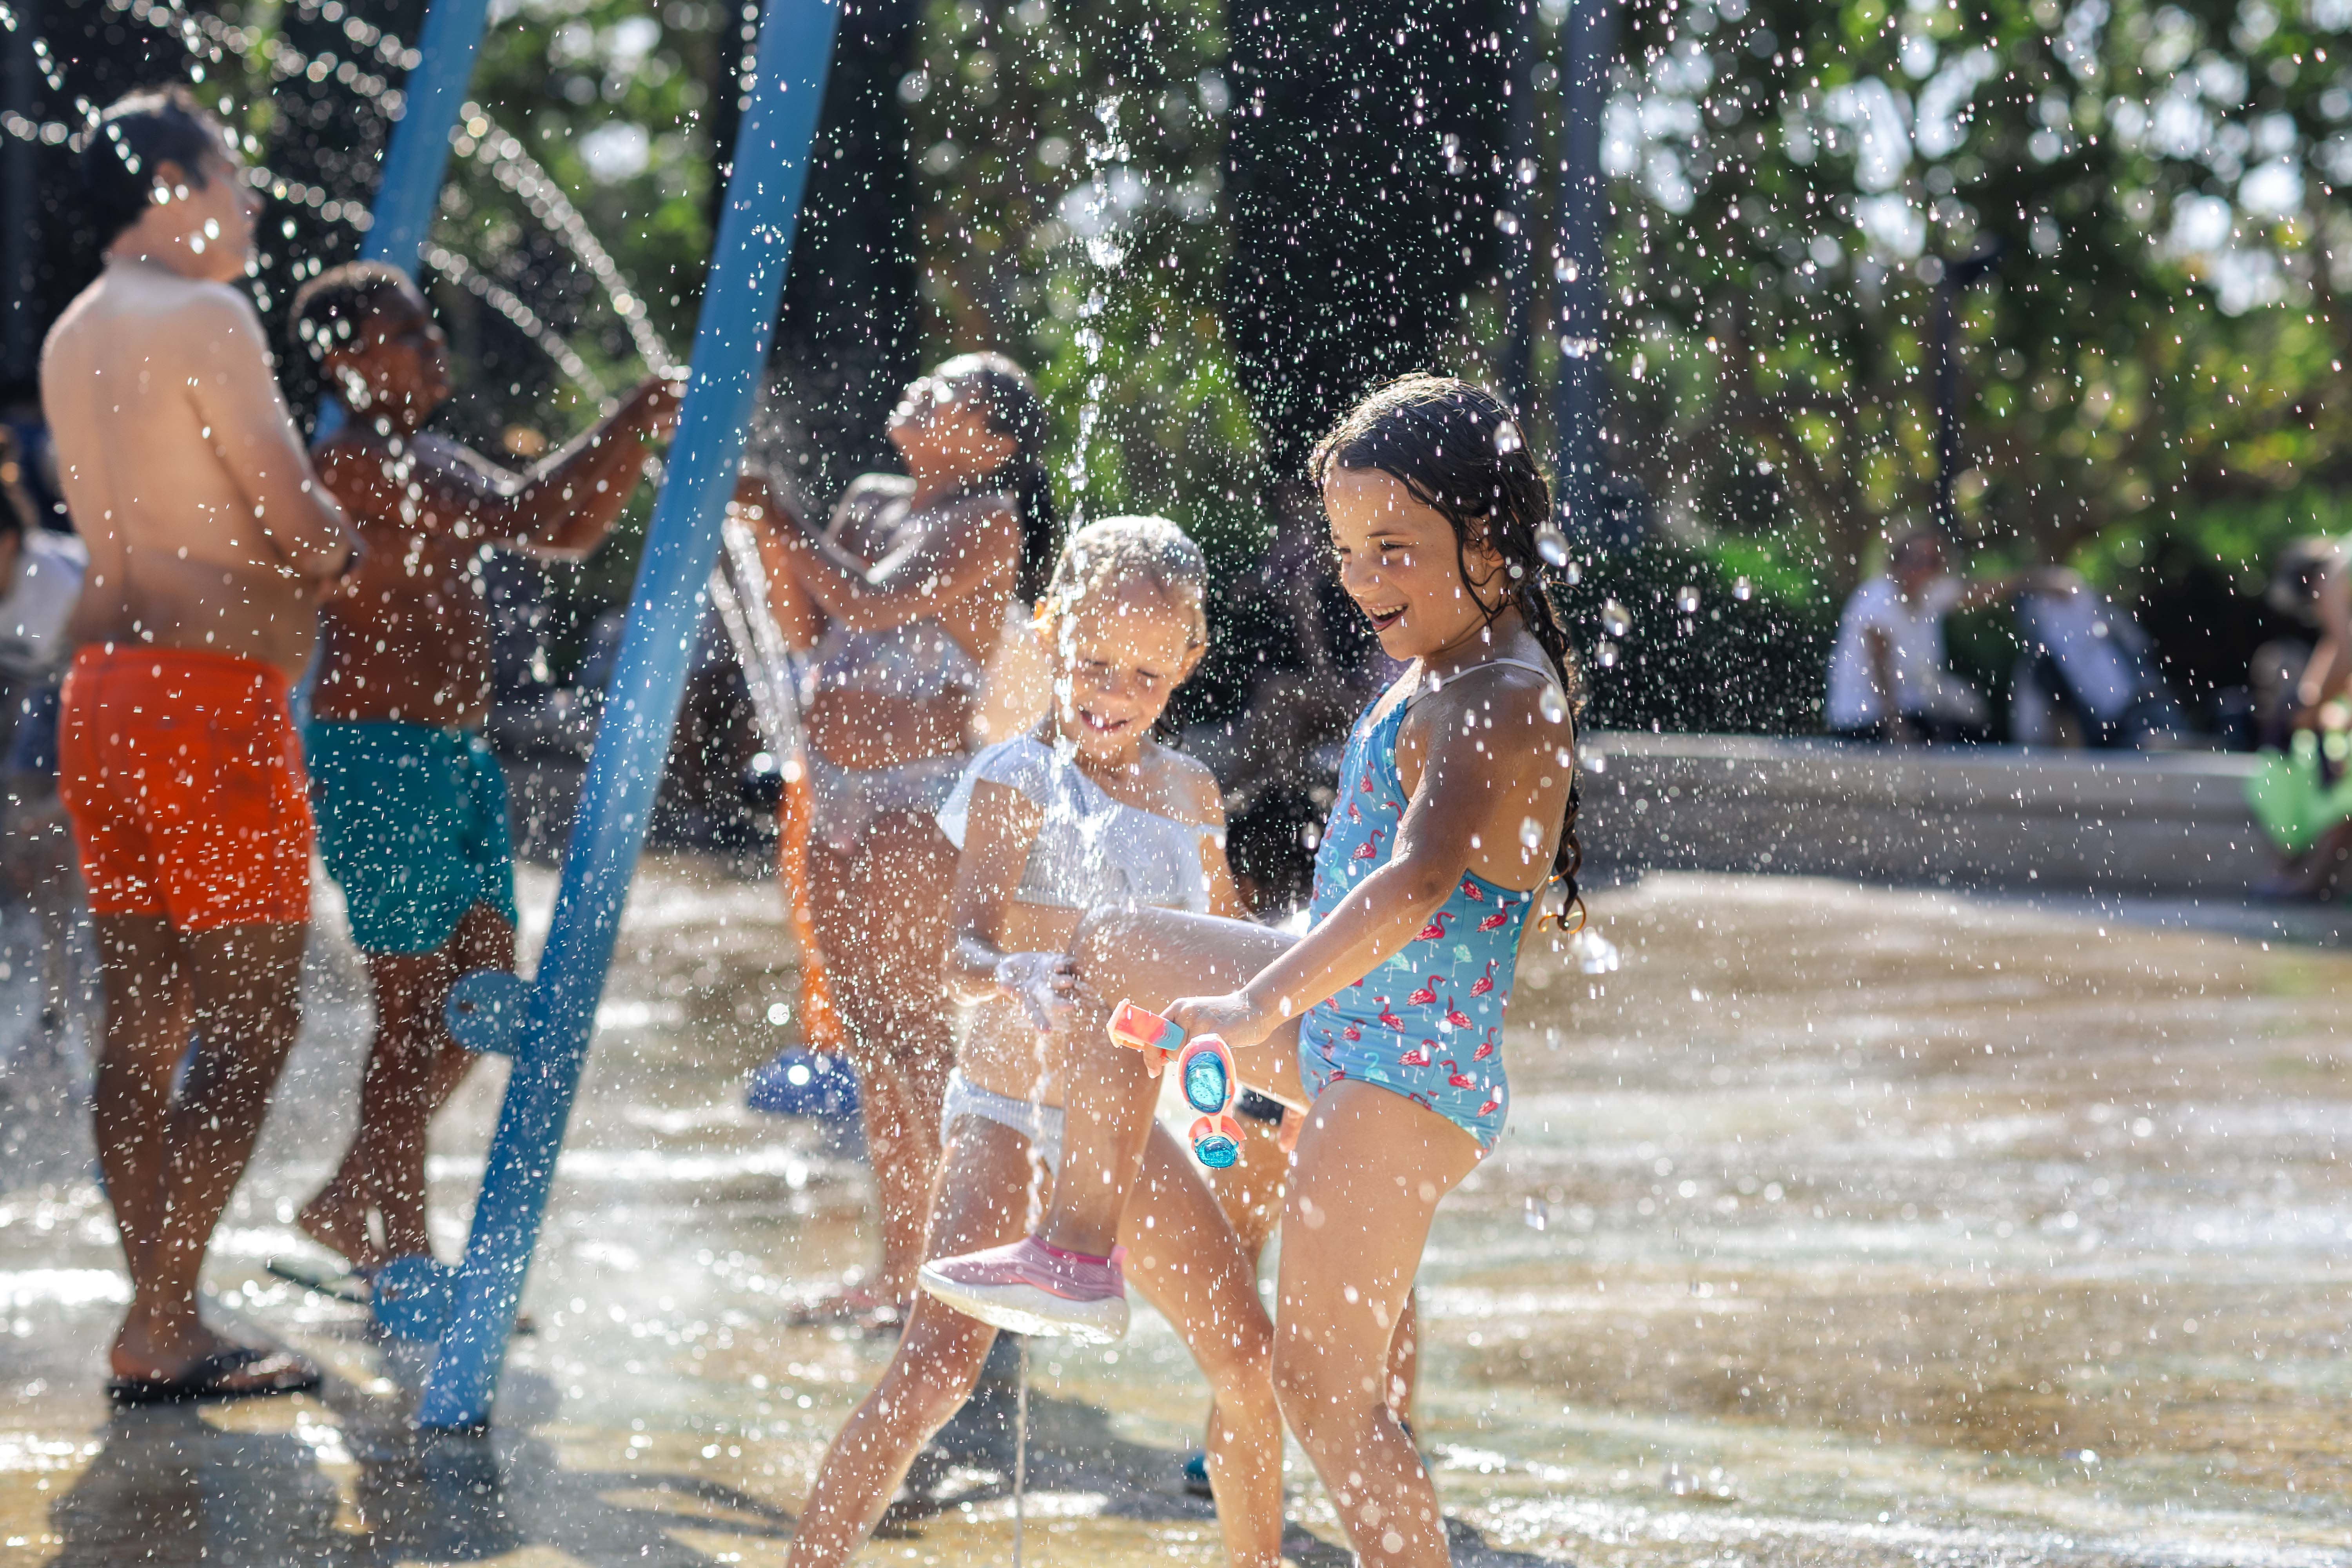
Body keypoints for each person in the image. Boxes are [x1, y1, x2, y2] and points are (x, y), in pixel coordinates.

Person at [921, 374, 1581, 1567]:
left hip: (1399, 1069)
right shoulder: (1444, 671)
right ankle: (1075, 1247)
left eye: (1393, 547)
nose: (1359, 577)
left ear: (1484, 537)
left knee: (1326, 1397)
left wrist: (1256, 997)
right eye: (1343, 548)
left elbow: (1421, 880)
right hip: (1353, 1023)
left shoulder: (1500, 698)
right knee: (1112, 944)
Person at [782, 515, 1284, 1566]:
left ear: (1189, 661)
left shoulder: (1191, 794)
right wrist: (1003, 970)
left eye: (1147, 673)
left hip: (1125, 1127)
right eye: (1094, 661)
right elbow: (961, 950)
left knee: (1249, 1357)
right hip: (1011, 1110)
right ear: (1052, 633)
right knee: (935, 1370)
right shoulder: (1019, 774)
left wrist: (1279, 1011)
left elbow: (1230, 939)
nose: (1114, 691)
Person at [40, 87, 362, 1403]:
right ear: (176, 178)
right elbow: (294, 518)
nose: (248, 214)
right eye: (234, 183)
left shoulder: (72, 333)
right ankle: (165, 1320)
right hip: (208, 705)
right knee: (250, 1025)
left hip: (101, 696)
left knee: (143, 1022)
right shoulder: (205, 314)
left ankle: (158, 1303)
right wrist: (343, 547)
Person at [284, 261, 679, 1275]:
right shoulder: (351, 467)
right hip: (377, 757)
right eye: (407, 334)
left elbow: (565, 530)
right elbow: (529, 519)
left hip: (452, 758)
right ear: (345, 359)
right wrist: (629, 413)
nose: (432, 351)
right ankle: (400, 1255)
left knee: (487, 993)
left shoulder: (431, 458)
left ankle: (346, 1203)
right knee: (411, 1014)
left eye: (430, 331)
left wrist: (633, 438)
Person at [731, 353, 1057, 1321]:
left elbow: (871, 602)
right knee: (871, 1042)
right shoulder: (871, 500)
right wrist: (763, 533)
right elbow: (811, 624)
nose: (917, 389)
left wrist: (777, 515)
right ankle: (900, 1269)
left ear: (994, 443)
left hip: (920, 804)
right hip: (835, 795)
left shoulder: (984, 522)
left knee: (921, 1041)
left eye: (946, 390)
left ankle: (965, 1273)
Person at [1822, 526, 1997, 744]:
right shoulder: (1878, 599)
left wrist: (2033, 582)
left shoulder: (1929, 595)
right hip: (1863, 719)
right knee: (1961, 737)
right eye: (1916, 560)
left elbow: (1980, 592)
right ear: (1896, 562)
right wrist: (1898, 731)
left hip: (1911, 711)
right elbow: (1880, 671)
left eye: (1933, 562)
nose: (1924, 569)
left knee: (1974, 723)